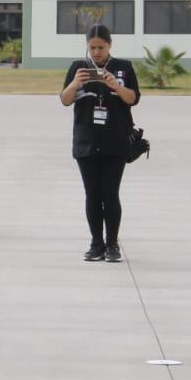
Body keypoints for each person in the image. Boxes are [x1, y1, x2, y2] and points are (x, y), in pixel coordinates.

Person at [59, 25, 141, 262]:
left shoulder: (123, 67)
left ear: (109, 45)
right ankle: (96, 243)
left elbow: (133, 99)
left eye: (101, 48)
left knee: (110, 193)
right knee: (92, 194)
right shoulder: (78, 67)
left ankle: (112, 244)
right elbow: (64, 100)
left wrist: (116, 86)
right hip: (86, 141)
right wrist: (75, 84)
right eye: (92, 48)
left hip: (115, 141)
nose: (96, 53)